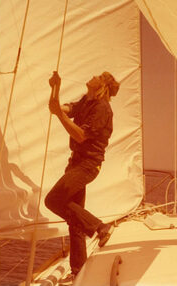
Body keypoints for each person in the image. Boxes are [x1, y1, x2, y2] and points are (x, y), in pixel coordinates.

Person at [44, 70, 119, 281]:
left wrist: (59, 114)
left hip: (87, 165)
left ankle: (99, 227)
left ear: (101, 84)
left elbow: (80, 134)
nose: (93, 75)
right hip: (76, 162)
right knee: (74, 221)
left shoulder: (102, 109)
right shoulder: (87, 100)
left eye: (99, 75)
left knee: (53, 200)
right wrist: (55, 89)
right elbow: (58, 109)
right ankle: (79, 271)